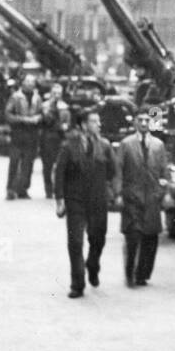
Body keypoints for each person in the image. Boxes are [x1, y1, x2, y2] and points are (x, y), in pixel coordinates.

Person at [54, 108, 117, 298]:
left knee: (98, 239)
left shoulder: (105, 146)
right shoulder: (69, 146)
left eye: (98, 121)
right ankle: (77, 284)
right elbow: (59, 174)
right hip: (76, 201)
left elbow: (113, 172)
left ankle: (93, 264)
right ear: (83, 125)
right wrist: (60, 200)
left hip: (98, 200)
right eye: (93, 121)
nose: (98, 125)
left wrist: (112, 191)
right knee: (75, 242)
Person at [117, 111, 169, 287]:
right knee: (132, 236)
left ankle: (143, 275)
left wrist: (163, 191)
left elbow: (164, 170)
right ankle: (130, 273)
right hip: (132, 196)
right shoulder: (126, 144)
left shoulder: (158, 145)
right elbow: (118, 170)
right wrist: (118, 194)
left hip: (152, 197)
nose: (144, 123)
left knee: (150, 237)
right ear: (135, 123)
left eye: (147, 120)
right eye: (141, 120)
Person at [4, 74, 43, 200]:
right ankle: (10, 189)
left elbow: (42, 113)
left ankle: (23, 189)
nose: (30, 84)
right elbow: (8, 115)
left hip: (32, 134)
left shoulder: (37, 98)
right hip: (18, 133)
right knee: (15, 161)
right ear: (23, 83)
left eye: (32, 82)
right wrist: (23, 119)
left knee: (28, 163)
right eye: (28, 81)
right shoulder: (16, 97)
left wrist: (38, 118)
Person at [38, 82, 70, 199]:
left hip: (59, 137)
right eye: (54, 93)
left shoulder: (65, 107)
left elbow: (67, 122)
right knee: (47, 165)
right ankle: (48, 189)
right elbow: (42, 121)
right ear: (51, 93)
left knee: (59, 165)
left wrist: (64, 127)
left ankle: (58, 189)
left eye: (59, 93)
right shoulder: (45, 106)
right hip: (47, 137)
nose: (57, 95)